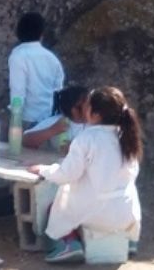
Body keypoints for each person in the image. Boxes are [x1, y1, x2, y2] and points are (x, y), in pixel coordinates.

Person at [27, 86, 143, 263]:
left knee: (57, 205)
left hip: (98, 213)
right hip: (126, 212)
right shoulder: (127, 136)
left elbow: (66, 175)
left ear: (95, 115)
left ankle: (66, 246)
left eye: (87, 106)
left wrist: (43, 169)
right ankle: (129, 240)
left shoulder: (86, 139)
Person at [8, 12, 65, 129]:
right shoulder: (52, 58)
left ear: (18, 32)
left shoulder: (18, 55)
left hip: (27, 119)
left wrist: (15, 123)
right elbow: (58, 91)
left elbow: (18, 91)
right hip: (50, 120)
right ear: (41, 34)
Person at [23, 86, 89, 153]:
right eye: (88, 104)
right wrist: (52, 130)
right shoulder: (57, 121)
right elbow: (25, 140)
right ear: (74, 110)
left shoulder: (96, 124)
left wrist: (77, 148)